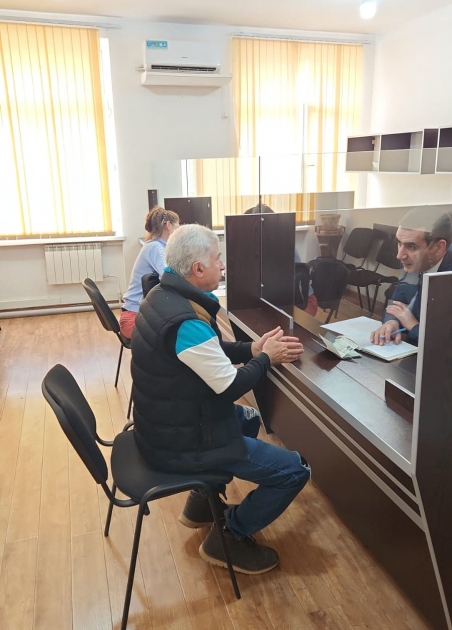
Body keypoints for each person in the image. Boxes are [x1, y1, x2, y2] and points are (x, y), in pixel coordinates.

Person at [131, 224, 311, 575]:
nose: (223, 265)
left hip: (160, 426)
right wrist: (266, 358)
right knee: (294, 470)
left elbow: (207, 351)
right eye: (218, 259)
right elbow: (229, 386)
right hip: (179, 443)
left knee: (249, 418)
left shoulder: (163, 295)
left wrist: (252, 348)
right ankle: (228, 536)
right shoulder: (185, 320)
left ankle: (202, 501)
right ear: (198, 269)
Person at [370, 206, 452, 346]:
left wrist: (413, 326)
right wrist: (391, 323)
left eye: (411, 246)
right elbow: (396, 303)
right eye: (399, 243)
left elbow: (445, 343)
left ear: (438, 248)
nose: (399, 255)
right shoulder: (414, 261)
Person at [244, 203, 318, 316]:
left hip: (303, 302)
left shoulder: (284, 246)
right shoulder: (260, 245)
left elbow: (283, 285)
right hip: (280, 300)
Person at [119, 206, 179, 338]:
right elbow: (169, 277)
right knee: (178, 333)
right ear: (168, 225)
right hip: (134, 318)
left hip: (139, 314)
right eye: (177, 226)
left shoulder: (155, 245)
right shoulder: (155, 247)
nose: (178, 231)